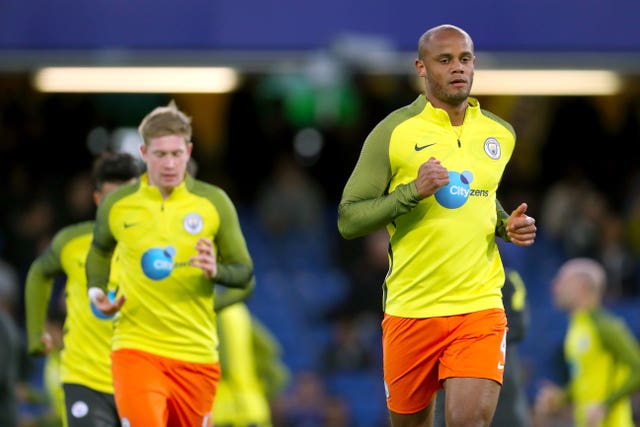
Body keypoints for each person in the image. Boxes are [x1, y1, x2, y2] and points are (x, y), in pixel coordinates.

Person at [337, 24, 537, 427]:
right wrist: (412, 190)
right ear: (421, 68)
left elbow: (480, 193)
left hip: (478, 306)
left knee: (468, 421)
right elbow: (349, 218)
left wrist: (505, 225)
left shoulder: (500, 133)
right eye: (444, 60)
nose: (457, 68)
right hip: (411, 309)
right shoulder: (393, 132)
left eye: (464, 59)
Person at [86, 101, 254, 427]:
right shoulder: (118, 205)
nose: (169, 164)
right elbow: (100, 250)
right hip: (136, 349)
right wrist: (97, 292)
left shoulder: (214, 202)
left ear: (189, 151)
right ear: (144, 153)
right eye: (160, 154)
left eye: (176, 154)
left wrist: (216, 270)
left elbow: (245, 272)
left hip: (196, 354)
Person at [24, 151, 141, 426]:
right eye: (111, 199)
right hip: (85, 380)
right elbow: (39, 273)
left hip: (141, 382)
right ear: (98, 199)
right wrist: (34, 334)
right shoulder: (72, 241)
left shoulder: (156, 247)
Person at [534, 258, 640, 427]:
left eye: (562, 280)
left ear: (582, 286)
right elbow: (584, 380)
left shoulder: (605, 326)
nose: (555, 287)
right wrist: (561, 397)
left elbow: (637, 369)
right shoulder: (577, 326)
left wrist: (605, 405)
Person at [434, 268, 532, 427]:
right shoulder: (438, 282)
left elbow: (518, 325)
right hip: (447, 381)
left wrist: (473, 338)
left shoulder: (507, 279)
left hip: (501, 387)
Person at [212, 293, 291, 427]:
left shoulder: (212, 313)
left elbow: (223, 365)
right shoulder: (238, 311)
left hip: (225, 414)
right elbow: (270, 349)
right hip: (255, 410)